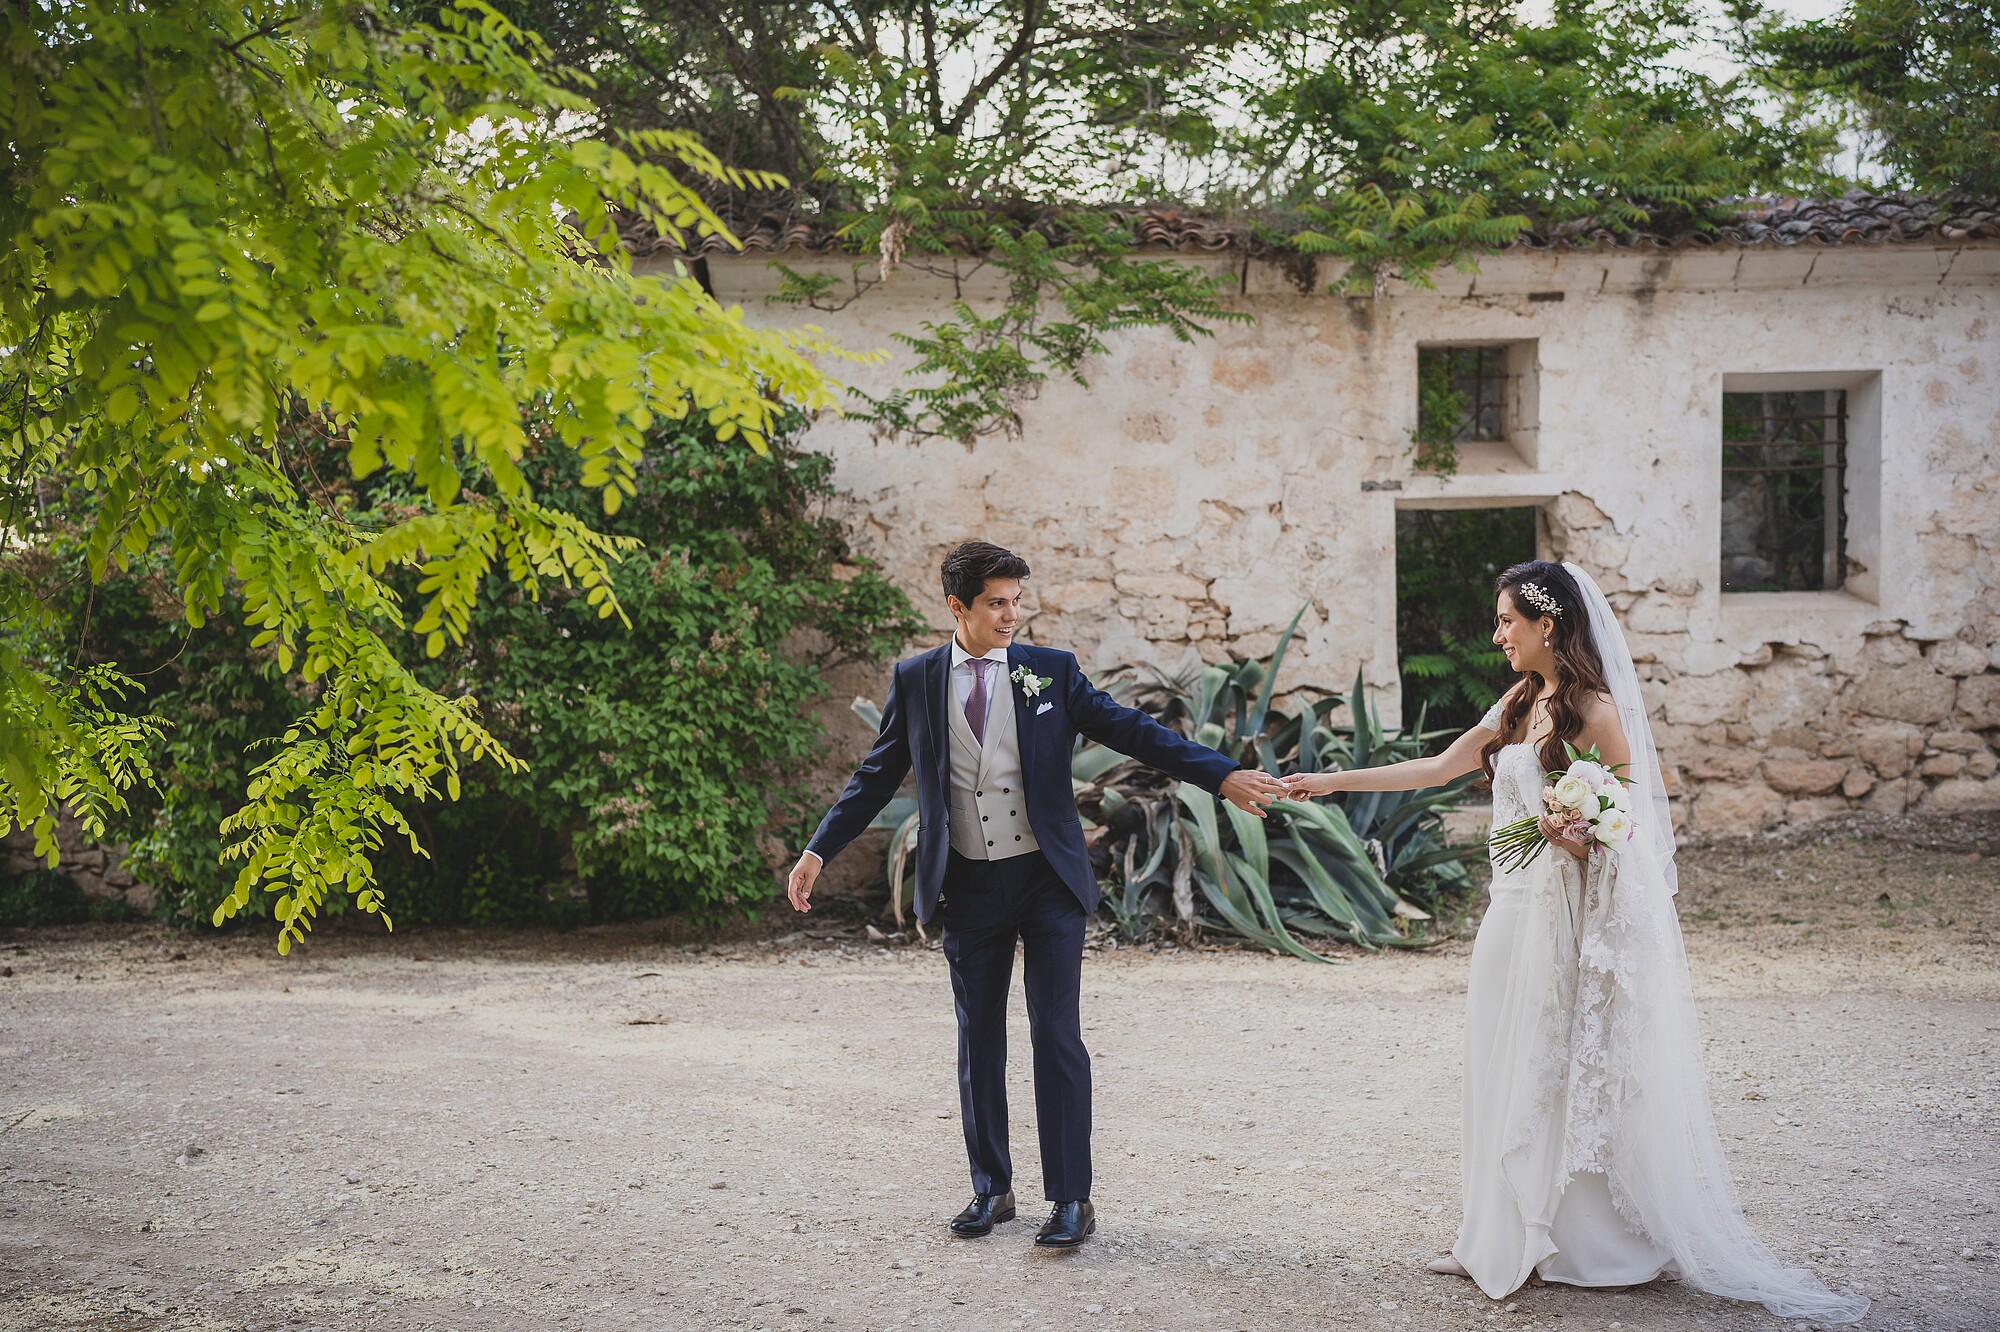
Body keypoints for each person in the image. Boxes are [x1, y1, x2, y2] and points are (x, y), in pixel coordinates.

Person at [1281, 560, 1867, 1322]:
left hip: (1563, 918)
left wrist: (1578, 835)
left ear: (1547, 625)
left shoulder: (1594, 709)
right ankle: (1489, 1229)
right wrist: (1328, 784)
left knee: (1555, 1063)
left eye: (1506, 623)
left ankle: (1578, 1238)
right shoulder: (1519, 700)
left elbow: (1628, 828)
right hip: (1509, 910)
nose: (1497, 637)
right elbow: (1438, 766)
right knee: (1494, 1056)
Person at [785, 540, 1286, 1248]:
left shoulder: (1050, 672)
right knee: (978, 1040)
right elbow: (874, 777)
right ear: (956, 606)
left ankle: (1072, 1199)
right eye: (997, 602)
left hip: (1048, 879)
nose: (1012, 614)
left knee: (1056, 1035)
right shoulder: (917, 679)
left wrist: (1221, 775)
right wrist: (816, 850)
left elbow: (1131, 730)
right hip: (968, 883)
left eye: (1018, 600)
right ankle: (992, 1190)